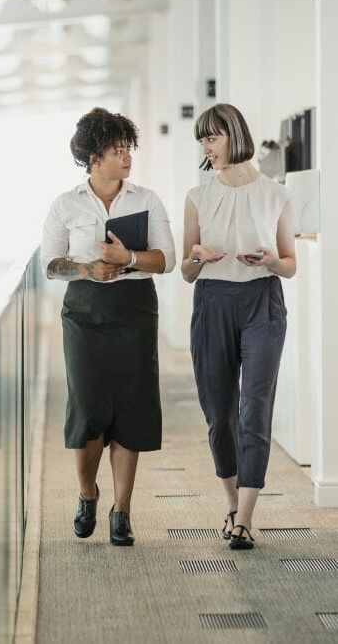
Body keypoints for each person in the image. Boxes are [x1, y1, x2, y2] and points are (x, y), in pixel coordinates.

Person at [40, 107, 175, 545]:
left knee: (131, 407)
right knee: (87, 408)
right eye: (118, 150)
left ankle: (122, 510)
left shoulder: (147, 199)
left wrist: (129, 259)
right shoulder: (66, 204)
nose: (127, 157)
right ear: (94, 156)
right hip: (84, 312)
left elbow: (166, 259)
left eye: (128, 149)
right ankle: (87, 493)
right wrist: (86, 270)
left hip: (134, 309)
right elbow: (50, 265)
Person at [182, 103, 296, 550]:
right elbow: (187, 272)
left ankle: (246, 517)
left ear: (233, 135)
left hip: (262, 301)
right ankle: (230, 502)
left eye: (212, 137)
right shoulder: (198, 195)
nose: (207, 147)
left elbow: (290, 264)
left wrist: (271, 259)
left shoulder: (275, 193)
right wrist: (196, 258)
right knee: (219, 412)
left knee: (256, 407)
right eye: (202, 140)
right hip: (212, 302)